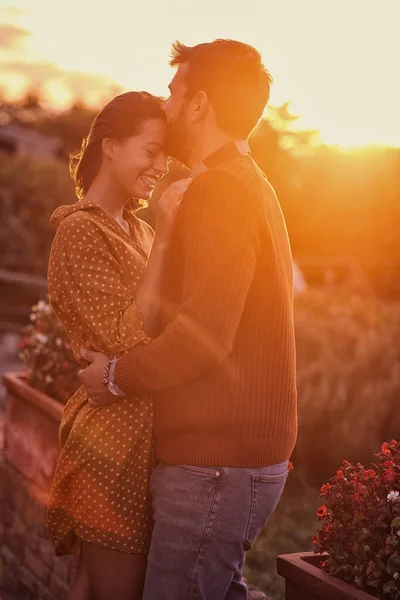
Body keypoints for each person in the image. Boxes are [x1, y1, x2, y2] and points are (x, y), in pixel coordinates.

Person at [80, 39, 298, 600]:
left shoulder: (222, 191)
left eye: (175, 91)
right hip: (228, 461)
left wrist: (113, 378)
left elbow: (202, 339)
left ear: (199, 104)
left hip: (216, 464)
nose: (166, 101)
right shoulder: (241, 182)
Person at [46, 91, 191, 600]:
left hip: (141, 441)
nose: (161, 166)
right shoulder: (80, 231)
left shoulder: (139, 230)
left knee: (91, 587)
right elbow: (133, 336)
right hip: (112, 448)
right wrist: (171, 233)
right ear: (109, 146)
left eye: (166, 155)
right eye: (151, 151)